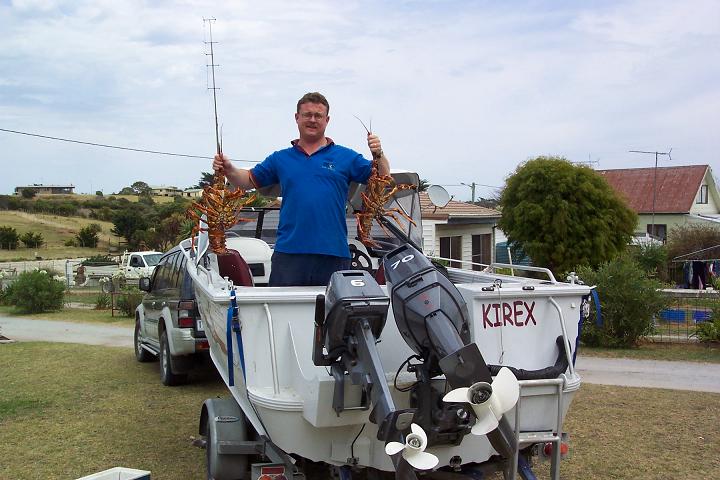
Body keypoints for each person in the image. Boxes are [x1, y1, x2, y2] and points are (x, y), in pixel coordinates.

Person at [213, 92, 391, 286]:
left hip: (334, 253)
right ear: (297, 117)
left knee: (334, 316)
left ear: (327, 120)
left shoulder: (346, 157)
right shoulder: (280, 158)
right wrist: (229, 169)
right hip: (289, 254)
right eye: (307, 114)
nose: (312, 120)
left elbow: (383, 177)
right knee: (283, 314)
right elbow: (246, 180)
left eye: (318, 115)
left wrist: (378, 153)